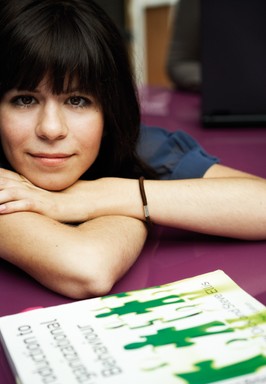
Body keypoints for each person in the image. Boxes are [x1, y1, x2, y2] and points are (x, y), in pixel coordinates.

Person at [0, 0, 265, 300]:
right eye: (24, 100)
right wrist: (137, 208)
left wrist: (108, 195)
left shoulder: (131, 143)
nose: (50, 129)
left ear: (110, 109)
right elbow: (88, 268)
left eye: (77, 100)